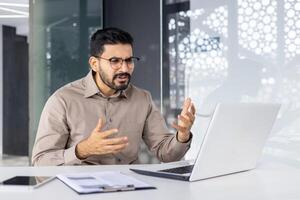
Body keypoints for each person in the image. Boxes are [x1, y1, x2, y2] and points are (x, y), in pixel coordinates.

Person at [32, 27, 196, 166]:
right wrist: (82, 150)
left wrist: (182, 137)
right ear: (94, 64)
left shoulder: (142, 98)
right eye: (115, 61)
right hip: (80, 191)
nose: (124, 68)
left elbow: (166, 154)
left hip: (131, 188)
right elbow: (40, 162)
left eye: (129, 60)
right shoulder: (63, 100)